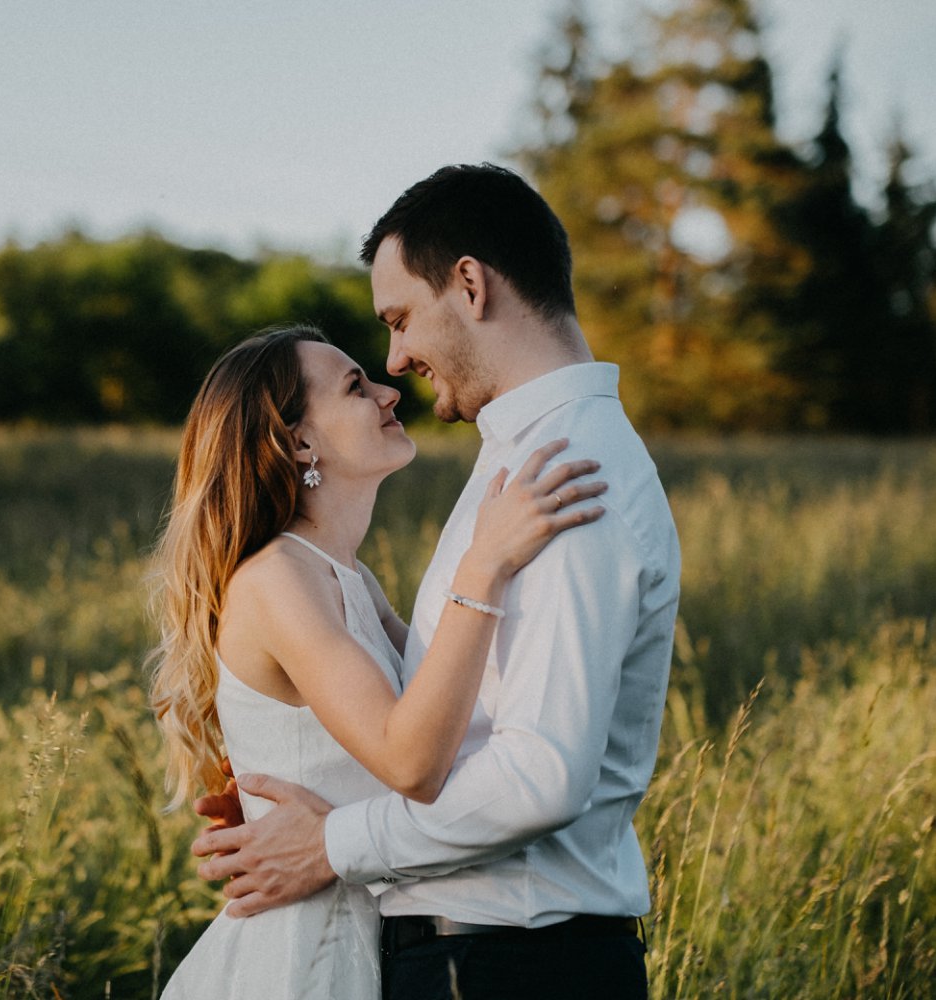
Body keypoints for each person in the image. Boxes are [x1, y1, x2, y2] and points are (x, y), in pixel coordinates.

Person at [190, 164, 681, 1000]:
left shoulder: (566, 474)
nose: (396, 360)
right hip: (460, 955)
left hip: (514, 961)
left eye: (399, 319)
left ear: (469, 285)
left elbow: (539, 775)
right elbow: (424, 725)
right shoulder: (517, 459)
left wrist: (330, 840)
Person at [149, 323, 609, 999]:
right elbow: (410, 760)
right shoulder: (278, 577)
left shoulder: (349, 579)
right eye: (356, 386)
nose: (391, 392)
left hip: (381, 935)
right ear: (300, 441)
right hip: (303, 957)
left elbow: (449, 710)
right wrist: (484, 566)